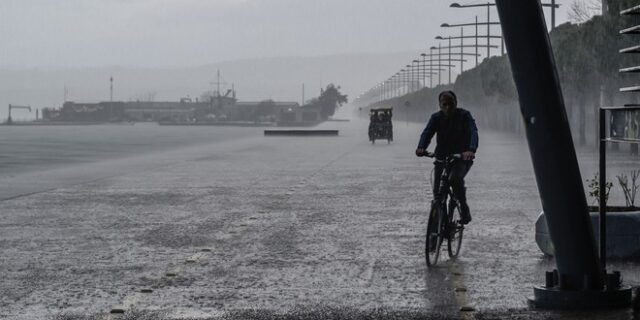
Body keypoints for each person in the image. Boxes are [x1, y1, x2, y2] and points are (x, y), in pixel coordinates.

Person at [415, 90, 478, 224]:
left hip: (461, 158)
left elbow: (473, 132)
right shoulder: (435, 118)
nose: (448, 107)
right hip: (441, 158)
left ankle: (464, 209)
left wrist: (470, 150)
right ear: (440, 105)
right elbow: (427, 133)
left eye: (451, 104)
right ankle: (438, 227)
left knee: (454, 179)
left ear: (456, 103)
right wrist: (421, 147)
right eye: (444, 104)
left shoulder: (464, 116)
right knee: (438, 193)